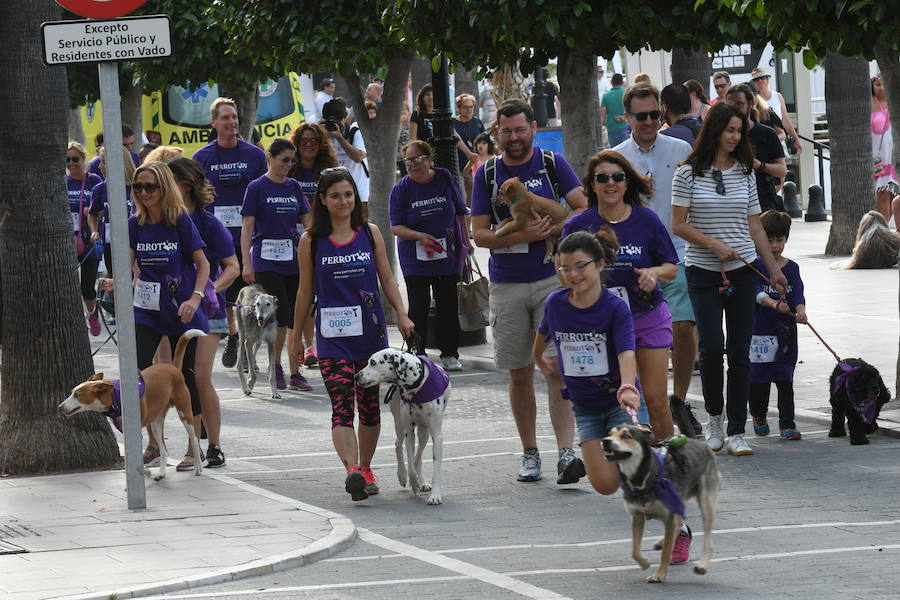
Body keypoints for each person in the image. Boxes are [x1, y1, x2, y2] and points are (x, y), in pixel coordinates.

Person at [471, 99, 589, 484]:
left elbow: (582, 209)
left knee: (556, 368)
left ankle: (566, 453)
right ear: (497, 133)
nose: (514, 138)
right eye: (506, 131)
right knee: (519, 372)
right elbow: (480, 234)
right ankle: (530, 453)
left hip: (551, 280)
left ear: (533, 128)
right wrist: (523, 235)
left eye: (520, 129)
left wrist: (554, 231)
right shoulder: (487, 173)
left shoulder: (553, 164)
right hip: (505, 284)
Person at [289, 168, 414, 501]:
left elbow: (387, 279)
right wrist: (296, 339)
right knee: (342, 406)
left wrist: (401, 313)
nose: (343, 201)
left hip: (370, 337)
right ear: (323, 200)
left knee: (370, 407)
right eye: (335, 195)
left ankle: (366, 466)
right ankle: (352, 471)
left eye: (348, 194)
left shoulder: (370, 233)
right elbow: (304, 292)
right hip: (332, 339)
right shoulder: (311, 241)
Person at [671, 102, 788, 457]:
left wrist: (774, 270)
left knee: (740, 351)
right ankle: (715, 420)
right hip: (702, 270)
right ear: (715, 131)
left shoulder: (746, 172)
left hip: (743, 270)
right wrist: (712, 244)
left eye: (740, 131)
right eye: (730, 130)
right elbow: (678, 224)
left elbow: (755, 226)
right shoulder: (688, 173)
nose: (736, 137)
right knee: (710, 349)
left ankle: (738, 429)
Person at [563, 150, 679, 439]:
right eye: (602, 178)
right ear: (591, 185)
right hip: (604, 325)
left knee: (655, 400)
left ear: (627, 183)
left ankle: (671, 466)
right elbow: (562, 269)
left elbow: (671, 267)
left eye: (618, 177)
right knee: (618, 400)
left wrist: (654, 273)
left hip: (648, 316)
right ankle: (634, 467)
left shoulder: (647, 220)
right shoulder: (579, 225)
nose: (610, 183)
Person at [613, 83, 702, 437]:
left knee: (683, 328)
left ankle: (678, 400)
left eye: (655, 114)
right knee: (634, 336)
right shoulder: (616, 157)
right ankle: (645, 408)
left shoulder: (681, 149)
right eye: (641, 116)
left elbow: (697, 197)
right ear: (627, 117)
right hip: (632, 261)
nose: (649, 121)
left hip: (678, 253)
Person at [532, 229, 641, 496]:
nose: (573, 274)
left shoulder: (615, 308)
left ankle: (653, 468)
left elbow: (626, 352)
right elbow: (544, 333)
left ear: (600, 264)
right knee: (604, 486)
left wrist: (627, 386)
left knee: (638, 469)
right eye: (565, 268)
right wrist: (538, 357)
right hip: (585, 407)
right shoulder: (556, 303)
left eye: (581, 266)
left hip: (618, 403)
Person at [129, 161, 210, 468]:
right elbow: (130, 263)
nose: (144, 192)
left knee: (185, 377)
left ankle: (194, 448)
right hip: (147, 310)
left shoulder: (179, 221)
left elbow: (203, 264)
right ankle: (153, 444)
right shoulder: (134, 224)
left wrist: (195, 298)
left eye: (150, 186)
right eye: (138, 187)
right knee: (136, 373)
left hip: (181, 311)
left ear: (164, 187)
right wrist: (123, 281)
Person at [168, 156, 239, 468]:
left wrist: (210, 289)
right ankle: (179, 446)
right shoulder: (164, 221)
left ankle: (212, 446)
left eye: (165, 184)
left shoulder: (209, 224)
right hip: (173, 311)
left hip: (208, 311)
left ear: (184, 186)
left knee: (199, 377)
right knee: (178, 378)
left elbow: (234, 267)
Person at [193, 97, 267, 369]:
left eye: (234, 117)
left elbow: (264, 192)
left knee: (249, 296)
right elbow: (195, 197)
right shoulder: (202, 157)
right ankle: (234, 336)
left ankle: (249, 348)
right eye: (225, 118)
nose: (232, 122)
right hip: (216, 237)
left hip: (249, 236)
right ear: (214, 122)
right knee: (225, 294)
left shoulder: (255, 155)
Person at [390, 140, 469, 371]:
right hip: (415, 258)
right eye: (408, 161)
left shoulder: (444, 177)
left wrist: (465, 240)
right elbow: (396, 227)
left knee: (448, 306)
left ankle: (450, 353)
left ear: (429, 159)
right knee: (418, 306)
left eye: (418, 159)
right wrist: (420, 236)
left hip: (446, 255)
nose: (413, 165)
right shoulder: (401, 189)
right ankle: (417, 353)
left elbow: (460, 210)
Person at [240, 138, 312, 392]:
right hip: (266, 258)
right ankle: (276, 367)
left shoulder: (294, 187)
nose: (289, 165)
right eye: (284, 160)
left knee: (295, 316)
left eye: (293, 160)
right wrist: (246, 264)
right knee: (280, 315)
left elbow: (307, 221)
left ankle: (295, 371)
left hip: (292, 259)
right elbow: (247, 228)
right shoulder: (257, 187)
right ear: (269, 157)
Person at [748, 210, 807, 441]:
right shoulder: (754, 265)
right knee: (759, 378)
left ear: (786, 239)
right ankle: (759, 415)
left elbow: (798, 294)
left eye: (779, 240)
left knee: (785, 378)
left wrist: (800, 312)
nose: (774, 245)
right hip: (759, 331)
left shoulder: (792, 268)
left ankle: (787, 424)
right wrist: (773, 304)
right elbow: (755, 293)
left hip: (785, 332)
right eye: (769, 239)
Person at [289, 122, 339, 367]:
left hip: (324, 237)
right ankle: (310, 346)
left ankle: (327, 341)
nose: (308, 145)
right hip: (295, 239)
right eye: (304, 140)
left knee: (325, 291)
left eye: (314, 141)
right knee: (305, 291)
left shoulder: (328, 170)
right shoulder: (289, 169)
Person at [726, 83, 787, 212]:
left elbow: (782, 170)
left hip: (763, 201)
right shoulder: (720, 135)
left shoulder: (767, 133)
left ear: (750, 104)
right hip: (732, 203)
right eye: (730, 106)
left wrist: (760, 165)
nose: (734, 109)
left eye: (739, 104)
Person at [66, 141, 104, 336]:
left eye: (75, 159)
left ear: (83, 159)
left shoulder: (93, 180)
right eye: (67, 160)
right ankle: (76, 320)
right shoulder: (62, 181)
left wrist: (94, 211)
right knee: (67, 286)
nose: (71, 163)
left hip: (89, 241)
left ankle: (92, 312)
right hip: (67, 242)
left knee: (87, 286)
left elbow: (104, 205)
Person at [87, 145, 136, 276]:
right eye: (100, 162)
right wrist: (94, 232)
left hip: (136, 246)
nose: (99, 167)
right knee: (116, 284)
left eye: (104, 162)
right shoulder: (99, 189)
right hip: (110, 247)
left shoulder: (137, 187)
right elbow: (92, 214)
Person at [321, 98, 369, 209]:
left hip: (359, 191)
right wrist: (319, 133)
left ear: (345, 117)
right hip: (337, 191)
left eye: (338, 120)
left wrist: (339, 137)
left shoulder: (354, 131)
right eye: (330, 121)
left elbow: (358, 157)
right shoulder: (324, 133)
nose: (335, 125)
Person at [750, 67, 803, 154]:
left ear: (767, 79)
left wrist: (796, 139)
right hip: (760, 142)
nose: (760, 81)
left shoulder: (777, 96)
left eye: (762, 78)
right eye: (756, 79)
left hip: (779, 138)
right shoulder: (753, 100)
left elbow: (785, 119)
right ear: (753, 83)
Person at [871, 75, 898, 223]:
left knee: (895, 195)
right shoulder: (869, 103)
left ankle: (885, 228)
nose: (881, 88)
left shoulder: (895, 102)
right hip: (878, 158)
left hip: (894, 157)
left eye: (883, 84)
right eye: (877, 84)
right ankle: (884, 229)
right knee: (882, 193)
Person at [452, 93, 485, 206]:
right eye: (466, 107)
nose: (469, 110)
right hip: (458, 164)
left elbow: (484, 140)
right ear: (459, 108)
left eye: (471, 107)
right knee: (462, 196)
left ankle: (469, 221)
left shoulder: (477, 122)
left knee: (471, 198)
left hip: (474, 165)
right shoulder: (453, 123)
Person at [601, 74, 628, 147]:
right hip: (625, 125)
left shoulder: (606, 96)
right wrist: (623, 117)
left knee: (614, 152)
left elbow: (602, 115)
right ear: (622, 82)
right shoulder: (626, 93)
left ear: (611, 82)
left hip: (611, 127)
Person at [396, 103, 411, 177]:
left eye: (404, 109)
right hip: (400, 157)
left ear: (408, 111)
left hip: (411, 155)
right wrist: (401, 124)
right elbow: (395, 140)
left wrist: (408, 123)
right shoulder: (395, 125)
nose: (403, 111)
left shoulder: (412, 123)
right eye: (400, 110)